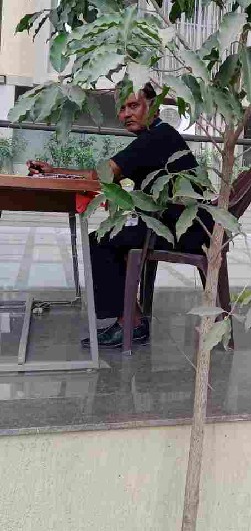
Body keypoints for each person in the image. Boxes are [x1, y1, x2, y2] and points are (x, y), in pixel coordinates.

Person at [27, 83, 212, 349]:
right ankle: (131, 318)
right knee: (112, 236)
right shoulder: (157, 136)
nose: (125, 114)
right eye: (122, 108)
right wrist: (54, 170)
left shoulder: (156, 138)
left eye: (133, 106)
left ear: (154, 106)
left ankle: (131, 323)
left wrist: (54, 171)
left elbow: (100, 176)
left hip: (185, 230)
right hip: (182, 225)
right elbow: (105, 175)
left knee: (101, 240)